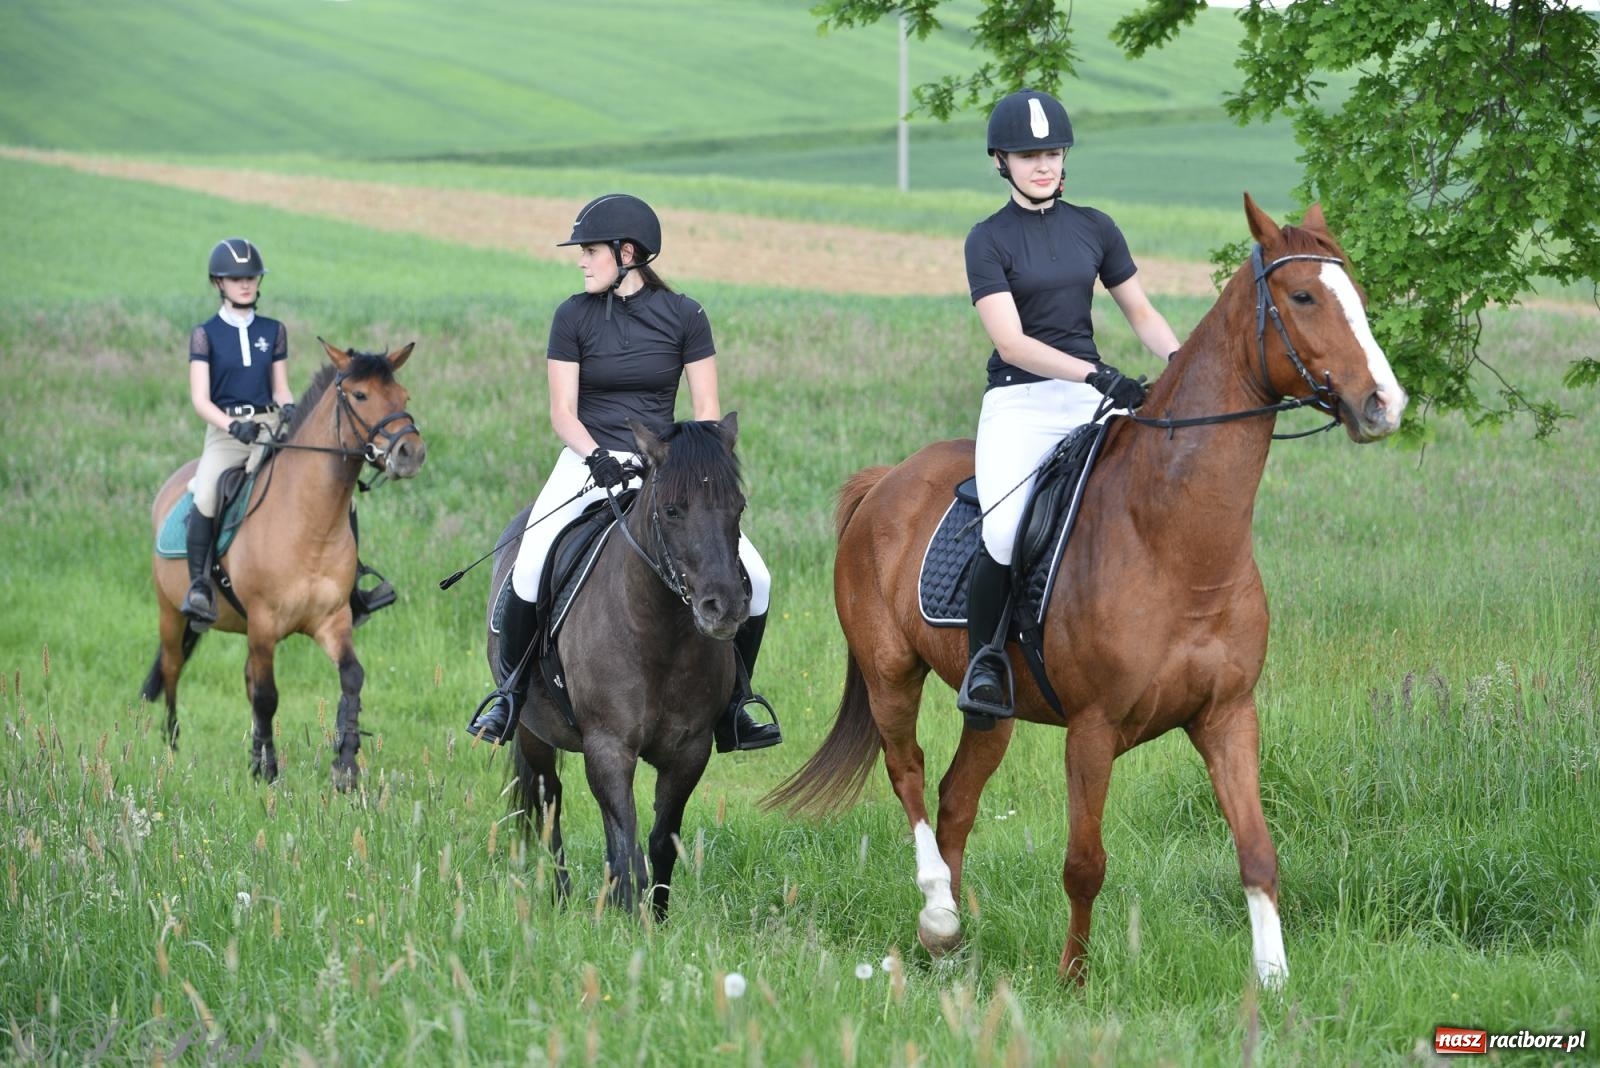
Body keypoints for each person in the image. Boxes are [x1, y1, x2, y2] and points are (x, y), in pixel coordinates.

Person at [468, 193, 781, 753]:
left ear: (627, 253)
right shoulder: (572, 316)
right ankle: (511, 695)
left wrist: (679, 463)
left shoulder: (687, 316)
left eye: (590, 251)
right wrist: (597, 457)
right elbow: (562, 411)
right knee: (530, 563)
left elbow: (707, 412)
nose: (582, 261)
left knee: (755, 578)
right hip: (587, 459)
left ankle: (736, 704)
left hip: (668, 467)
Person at [958, 89, 1182, 727]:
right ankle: (986, 665)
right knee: (1002, 530)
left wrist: (1181, 367)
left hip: (1090, 396)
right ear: (1001, 161)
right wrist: (1096, 372)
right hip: (1021, 402)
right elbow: (1011, 340)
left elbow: (1139, 311)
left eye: (1052, 152)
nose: (1044, 165)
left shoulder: (1095, 226)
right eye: (1029, 156)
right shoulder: (987, 239)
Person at [182, 238, 396, 629]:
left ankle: (353, 587)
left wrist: (289, 408)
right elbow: (200, 398)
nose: (245, 284)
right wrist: (232, 425)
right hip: (226, 432)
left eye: (251, 277)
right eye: (236, 279)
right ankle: (199, 587)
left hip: (271, 426)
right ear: (219, 283)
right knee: (209, 490)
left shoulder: (272, 330)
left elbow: (279, 386)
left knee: (341, 499)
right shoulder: (205, 334)